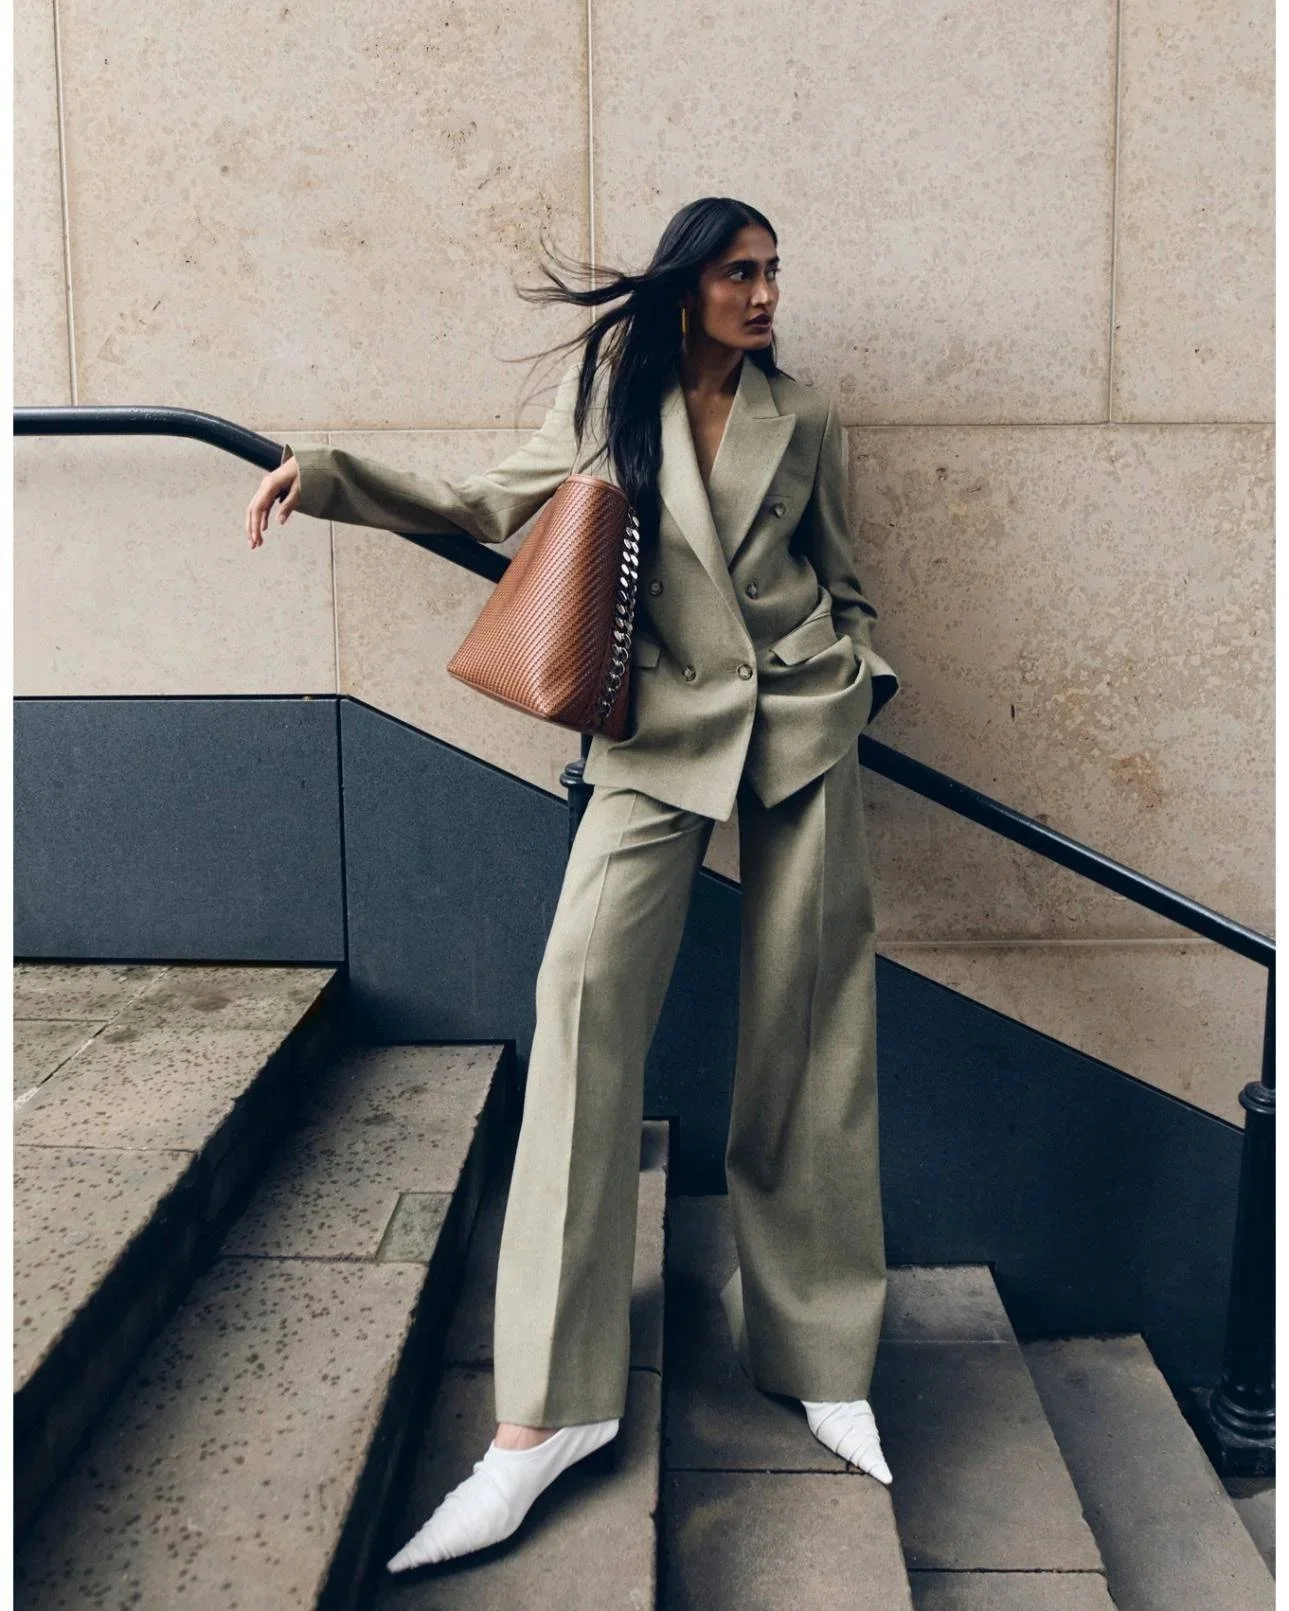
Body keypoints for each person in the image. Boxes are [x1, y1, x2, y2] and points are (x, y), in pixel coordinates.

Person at [244, 196, 902, 1573]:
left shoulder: (810, 414)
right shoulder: (616, 397)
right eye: (742, 273)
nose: (768, 294)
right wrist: (327, 471)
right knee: (583, 1015)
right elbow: (494, 500)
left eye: (777, 271)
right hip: (658, 741)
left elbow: (845, 578)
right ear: (685, 289)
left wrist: (858, 677)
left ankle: (818, 1352)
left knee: (811, 1038)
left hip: (802, 737)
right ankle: (546, 1415)